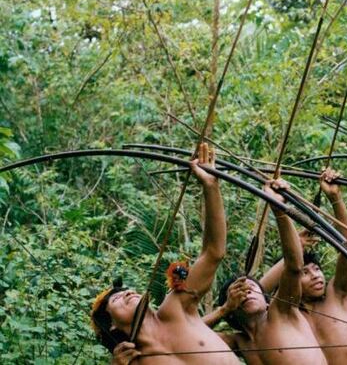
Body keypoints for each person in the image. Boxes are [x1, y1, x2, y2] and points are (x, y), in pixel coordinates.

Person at [91, 143, 240, 365]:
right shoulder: (132, 362)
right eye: (116, 298)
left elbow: (213, 253)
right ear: (111, 325)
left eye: (126, 290)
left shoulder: (175, 307)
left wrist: (210, 186)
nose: (127, 293)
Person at [208, 179, 328, 365]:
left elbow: (294, 266)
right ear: (232, 309)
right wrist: (224, 309)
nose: (248, 293)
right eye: (240, 292)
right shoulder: (239, 342)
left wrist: (278, 209)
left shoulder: (281, 311)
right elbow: (184, 335)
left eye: (252, 288)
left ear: (266, 299)